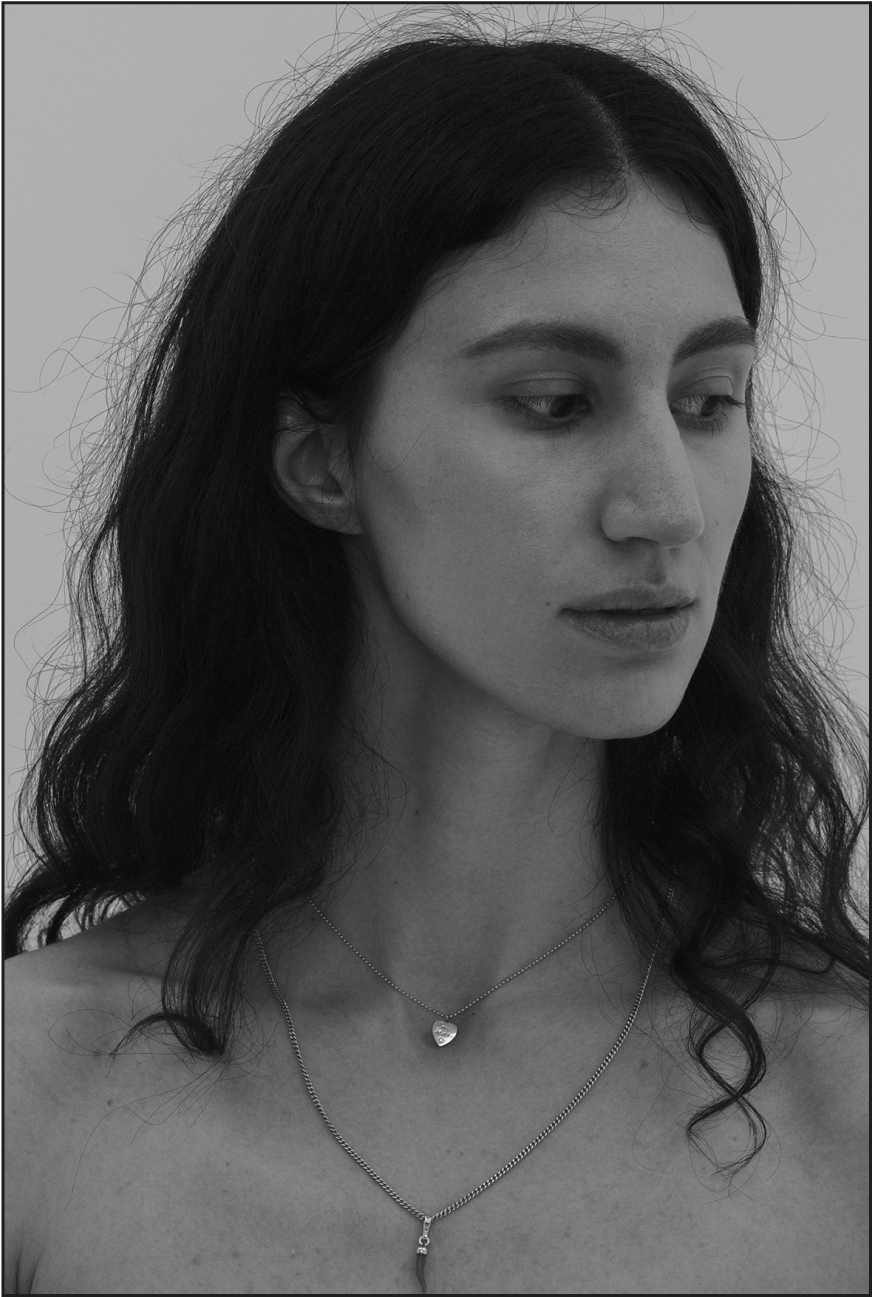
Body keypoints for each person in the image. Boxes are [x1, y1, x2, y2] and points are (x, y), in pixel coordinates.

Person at [4, 12, 868, 1295]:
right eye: (552, 403)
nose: (666, 507)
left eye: (706, 403)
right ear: (322, 460)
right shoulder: (33, 1095)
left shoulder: (842, 1107)